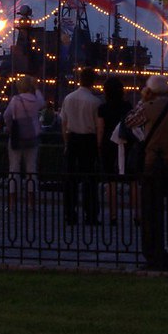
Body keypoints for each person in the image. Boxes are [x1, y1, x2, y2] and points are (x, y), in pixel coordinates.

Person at [123, 76, 168, 272]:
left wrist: (143, 100)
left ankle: (153, 257)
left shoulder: (147, 107)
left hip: (152, 167)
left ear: (150, 91)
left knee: (151, 214)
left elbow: (129, 121)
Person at [61, 68, 102, 226]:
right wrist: (98, 146)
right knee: (90, 179)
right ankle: (90, 214)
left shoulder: (68, 98)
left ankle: (70, 214)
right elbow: (99, 127)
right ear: (93, 82)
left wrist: (66, 142)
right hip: (89, 140)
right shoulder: (95, 102)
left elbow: (64, 123)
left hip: (72, 138)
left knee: (70, 179)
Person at [2, 76, 44, 211]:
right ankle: (31, 203)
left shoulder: (15, 100)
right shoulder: (35, 100)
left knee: (14, 169)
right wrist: (37, 88)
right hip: (32, 136)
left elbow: (6, 116)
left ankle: (12, 203)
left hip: (16, 136)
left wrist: (10, 128)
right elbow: (42, 103)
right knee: (31, 169)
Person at [97, 77, 133, 225]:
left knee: (111, 180)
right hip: (125, 143)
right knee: (133, 180)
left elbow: (100, 128)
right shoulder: (127, 106)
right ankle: (137, 215)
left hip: (108, 143)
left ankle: (113, 215)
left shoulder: (102, 108)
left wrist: (99, 145)